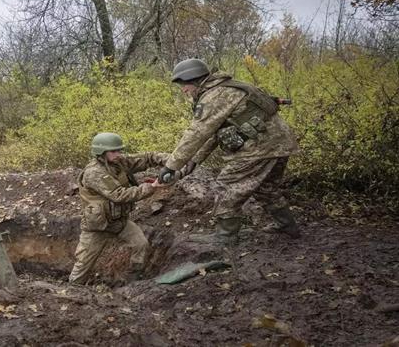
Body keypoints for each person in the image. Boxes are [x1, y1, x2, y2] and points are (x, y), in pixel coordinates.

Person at [158, 58, 301, 244]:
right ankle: (288, 227)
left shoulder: (215, 96)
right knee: (266, 188)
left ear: (194, 80)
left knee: (226, 186)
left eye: (184, 85)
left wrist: (170, 166)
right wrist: (190, 164)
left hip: (259, 148)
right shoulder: (229, 87)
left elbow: (196, 134)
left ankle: (225, 236)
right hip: (279, 144)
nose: (184, 90)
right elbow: (213, 135)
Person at [69, 132, 168, 285]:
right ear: (101, 152)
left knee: (141, 245)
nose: (118, 154)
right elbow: (119, 195)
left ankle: (133, 281)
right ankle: (73, 290)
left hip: (119, 221)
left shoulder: (118, 162)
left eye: (119, 150)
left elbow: (147, 158)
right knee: (84, 263)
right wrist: (151, 187)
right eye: (113, 151)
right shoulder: (94, 172)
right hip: (97, 227)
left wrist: (171, 161)